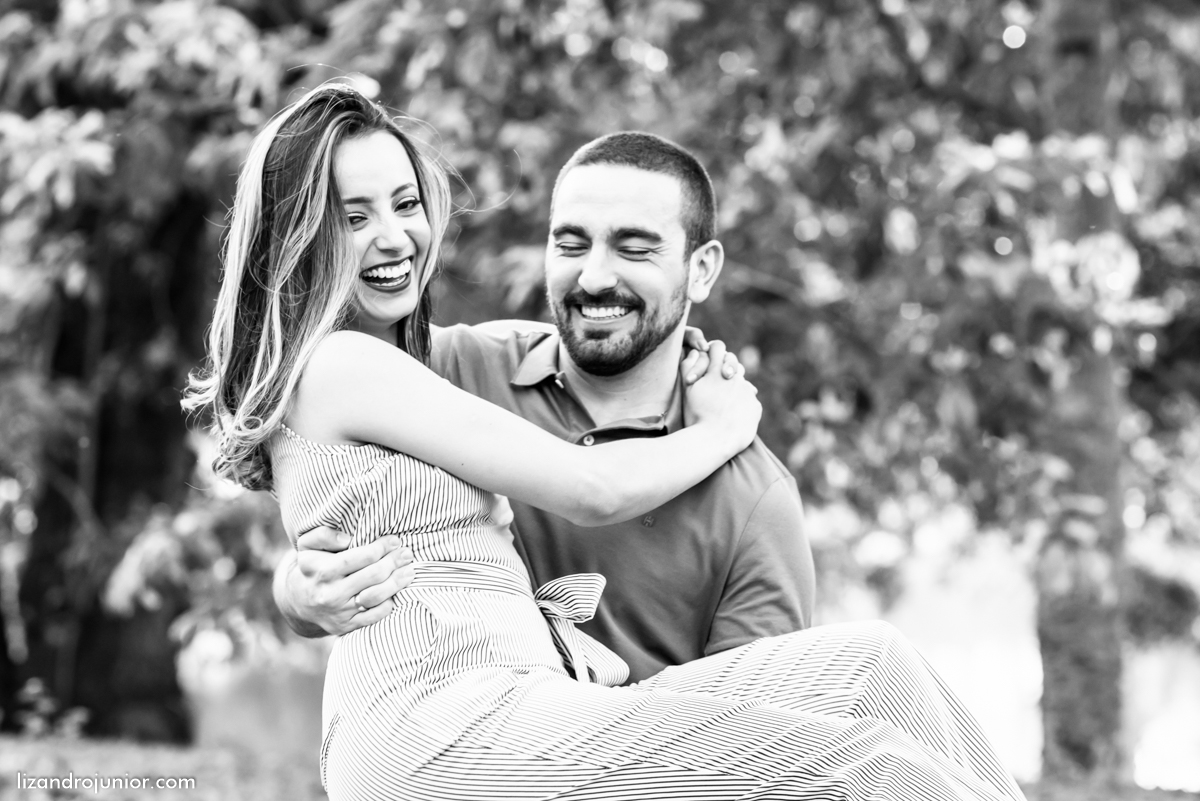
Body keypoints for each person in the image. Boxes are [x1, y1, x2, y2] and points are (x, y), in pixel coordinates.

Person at [185, 82, 1026, 800]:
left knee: (875, 664)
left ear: (700, 271)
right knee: (868, 768)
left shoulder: (413, 361)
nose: (394, 235)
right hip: (437, 721)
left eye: (406, 204)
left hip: (537, 705)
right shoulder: (359, 366)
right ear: (298, 233)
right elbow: (592, 487)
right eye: (351, 214)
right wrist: (728, 424)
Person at [273, 132, 818, 683]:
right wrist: (299, 593)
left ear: (700, 270)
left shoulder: (755, 497)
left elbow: (756, 731)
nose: (596, 277)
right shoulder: (448, 369)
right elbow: (320, 508)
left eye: (634, 248)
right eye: (572, 244)